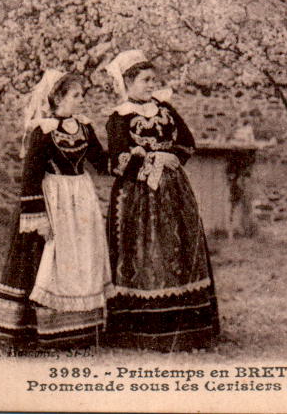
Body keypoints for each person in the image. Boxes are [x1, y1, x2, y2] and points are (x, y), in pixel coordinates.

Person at [105, 50, 220, 352]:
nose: (150, 85)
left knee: (179, 247)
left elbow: (188, 143)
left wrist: (172, 157)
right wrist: (149, 160)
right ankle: (140, 330)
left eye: (153, 80)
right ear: (128, 82)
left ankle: (189, 329)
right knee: (143, 252)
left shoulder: (165, 109)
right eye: (145, 80)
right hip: (136, 195)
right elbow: (116, 160)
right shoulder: (119, 117)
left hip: (174, 190)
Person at [0, 70, 113, 349]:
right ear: (58, 97)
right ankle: (38, 330)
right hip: (52, 199)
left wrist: (128, 155)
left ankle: (81, 329)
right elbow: (31, 177)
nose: (81, 100)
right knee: (46, 259)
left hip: (81, 199)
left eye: (81, 94)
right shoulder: (43, 131)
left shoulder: (85, 127)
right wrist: (39, 217)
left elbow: (101, 162)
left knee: (81, 257)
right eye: (75, 95)